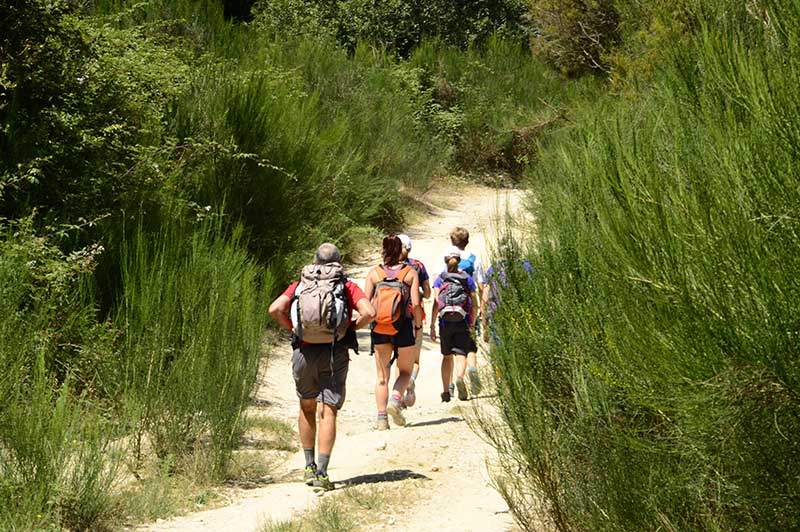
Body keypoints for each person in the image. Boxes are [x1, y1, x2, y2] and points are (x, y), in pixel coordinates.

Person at [268, 243, 375, 491]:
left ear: (314, 261)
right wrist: (350, 327)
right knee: (328, 411)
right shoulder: (345, 285)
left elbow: (275, 309)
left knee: (306, 407)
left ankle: (308, 466)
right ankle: (323, 473)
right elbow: (369, 312)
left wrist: (293, 329)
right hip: (333, 353)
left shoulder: (300, 284)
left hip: (303, 351)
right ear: (338, 262)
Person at [364, 234, 423, 429]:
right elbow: (415, 304)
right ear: (400, 251)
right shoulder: (409, 273)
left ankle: (381, 419)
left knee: (382, 377)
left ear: (383, 250)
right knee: (405, 371)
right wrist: (418, 326)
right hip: (403, 327)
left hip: (380, 327)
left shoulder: (374, 274)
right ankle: (395, 400)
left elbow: (366, 304)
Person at [430, 246, 480, 402]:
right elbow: (474, 302)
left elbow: (436, 302)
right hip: (462, 320)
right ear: (459, 261)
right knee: (461, 353)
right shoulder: (467, 279)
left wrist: (432, 324)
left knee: (446, 356)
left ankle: (446, 392)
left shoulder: (440, 279)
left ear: (445, 260)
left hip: (445, 322)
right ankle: (459, 377)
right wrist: (473, 321)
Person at [393, 233, 430, 408]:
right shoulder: (418, 266)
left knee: (397, 360)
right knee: (414, 361)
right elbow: (428, 293)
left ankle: (397, 396)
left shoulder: (387, 265)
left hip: (392, 319)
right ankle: (411, 382)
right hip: (414, 317)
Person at [449, 227, 485, 395]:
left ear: (451, 241)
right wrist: (479, 310)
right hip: (469, 308)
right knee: (470, 344)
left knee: (457, 348)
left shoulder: (446, 259)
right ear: (467, 241)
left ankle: (459, 376)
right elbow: (480, 284)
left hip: (450, 310)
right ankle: (472, 369)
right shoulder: (473, 259)